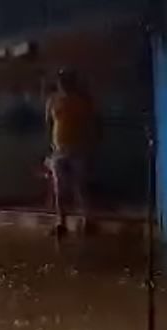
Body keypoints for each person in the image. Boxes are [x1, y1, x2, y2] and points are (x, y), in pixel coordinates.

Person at [45, 68, 98, 228]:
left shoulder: (82, 100)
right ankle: (61, 221)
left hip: (79, 148)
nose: (63, 84)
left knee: (80, 186)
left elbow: (92, 123)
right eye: (61, 81)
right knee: (59, 188)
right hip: (59, 150)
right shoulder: (53, 101)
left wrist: (92, 145)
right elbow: (49, 125)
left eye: (67, 80)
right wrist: (50, 149)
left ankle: (87, 219)